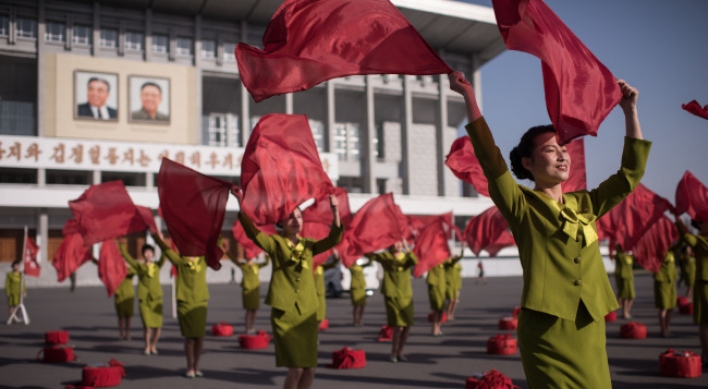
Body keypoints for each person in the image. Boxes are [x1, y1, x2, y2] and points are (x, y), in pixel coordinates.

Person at [449, 71, 648, 388]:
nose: (562, 154)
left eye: (564, 149)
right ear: (528, 163)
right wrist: (468, 97)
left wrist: (630, 110)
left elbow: (629, 175)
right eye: (550, 149)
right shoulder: (521, 204)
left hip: (589, 324)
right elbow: (490, 157)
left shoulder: (585, 204)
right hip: (546, 329)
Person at [239, 194, 342, 389]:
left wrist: (335, 210)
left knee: (310, 368)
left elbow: (334, 238)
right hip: (285, 314)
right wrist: (240, 203)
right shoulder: (275, 244)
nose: (296, 221)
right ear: (281, 222)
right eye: (291, 217)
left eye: (299, 216)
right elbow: (253, 233)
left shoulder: (309, 245)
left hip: (307, 313)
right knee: (296, 369)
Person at [152, 232, 209, 378]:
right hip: (185, 303)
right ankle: (190, 367)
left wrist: (217, 229)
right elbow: (165, 249)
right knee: (189, 338)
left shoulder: (203, 261)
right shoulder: (179, 261)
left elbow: (216, 247)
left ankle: (197, 366)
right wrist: (156, 236)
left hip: (200, 303)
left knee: (200, 337)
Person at [366, 240, 418, 362]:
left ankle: (400, 351)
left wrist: (407, 247)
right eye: (396, 242)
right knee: (398, 325)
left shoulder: (407, 256)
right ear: (390, 244)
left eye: (401, 242)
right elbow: (369, 255)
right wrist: (372, 244)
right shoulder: (385, 256)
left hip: (406, 295)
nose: (399, 245)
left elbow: (415, 262)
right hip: (392, 294)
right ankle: (394, 352)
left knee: (407, 325)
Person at [119, 239, 166, 355]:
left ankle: (153, 345)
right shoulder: (139, 267)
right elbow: (127, 257)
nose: (148, 254)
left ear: (153, 254)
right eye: (146, 252)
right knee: (147, 326)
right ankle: (147, 346)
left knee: (158, 327)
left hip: (156, 299)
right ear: (143, 254)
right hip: (144, 299)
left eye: (150, 252)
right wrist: (121, 245)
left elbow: (164, 255)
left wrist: (162, 242)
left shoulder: (157, 266)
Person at [676, 215, 708, 366]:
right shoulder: (698, 240)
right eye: (702, 222)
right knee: (706, 321)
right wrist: (678, 220)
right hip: (705, 283)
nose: (704, 223)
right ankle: (706, 353)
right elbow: (686, 237)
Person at [223, 247, 270, 335]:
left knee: (254, 311)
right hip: (247, 291)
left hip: (255, 290)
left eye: (251, 257)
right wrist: (228, 252)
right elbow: (234, 261)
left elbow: (266, 263)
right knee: (249, 310)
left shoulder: (256, 266)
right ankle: (247, 327)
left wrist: (266, 255)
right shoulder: (244, 266)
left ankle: (252, 326)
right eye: (248, 257)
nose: (250, 259)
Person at [654, 248, 678, 338]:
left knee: (671, 307)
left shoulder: (671, 251)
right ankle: (663, 329)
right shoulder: (657, 251)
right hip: (662, 281)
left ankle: (667, 327)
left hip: (670, 281)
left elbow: (679, 243)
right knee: (664, 307)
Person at [315, 251, 340, 326]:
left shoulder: (321, 266)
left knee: (320, 315)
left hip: (320, 292)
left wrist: (336, 257)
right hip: (311, 294)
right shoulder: (309, 266)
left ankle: (316, 333)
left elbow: (333, 264)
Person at [614, 244, 636, 319]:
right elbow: (617, 252)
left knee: (631, 296)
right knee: (625, 296)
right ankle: (625, 312)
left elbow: (637, 257)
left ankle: (626, 311)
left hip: (629, 278)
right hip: (623, 278)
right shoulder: (620, 256)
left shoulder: (629, 256)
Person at [349, 257, 373, 326]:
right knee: (356, 306)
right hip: (355, 288)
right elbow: (347, 264)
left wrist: (370, 256)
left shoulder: (360, 266)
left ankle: (360, 320)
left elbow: (369, 263)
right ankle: (355, 320)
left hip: (361, 287)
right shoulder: (352, 267)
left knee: (363, 305)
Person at [426, 262, 446, 336]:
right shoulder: (432, 261)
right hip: (434, 287)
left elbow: (452, 261)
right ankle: (434, 327)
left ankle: (438, 326)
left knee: (441, 309)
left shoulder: (443, 262)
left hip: (441, 287)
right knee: (436, 309)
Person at [444, 249, 464, 321]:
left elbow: (460, 257)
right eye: (451, 255)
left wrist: (462, 249)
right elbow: (453, 261)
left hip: (457, 283)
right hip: (449, 284)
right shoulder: (447, 263)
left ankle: (451, 314)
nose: (453, 256)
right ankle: (447, 314)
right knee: (451, 300)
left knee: (455, 301)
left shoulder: (458, 264)